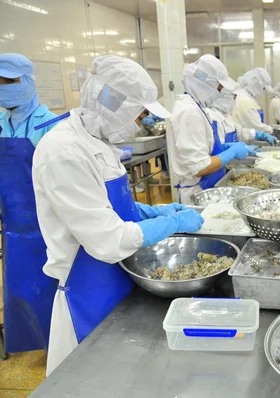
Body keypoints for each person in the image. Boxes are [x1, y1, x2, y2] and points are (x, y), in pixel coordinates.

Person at [31, 55, 204, 375]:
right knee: (94, 378)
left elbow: (105, 207)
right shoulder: (63, 150)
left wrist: (148, 210)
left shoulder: (101, 141)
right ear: (114, 103)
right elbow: (107, 240)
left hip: (118, 279)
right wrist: (172, 223)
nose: (142, 123)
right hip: (87, 290)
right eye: (139, 113)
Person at [0, 53, 58, 355]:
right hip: (12, 225)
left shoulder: (48, 124)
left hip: (46, 226)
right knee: (19, 288)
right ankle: (29, 342)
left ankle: (58, 346)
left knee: (48, 286)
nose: (3, 87)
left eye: (9, 81)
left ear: (28, 81)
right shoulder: (0, 123)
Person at [169, 55, 258, 205]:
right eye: (218, 88)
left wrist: (224, 148)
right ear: (205, 84)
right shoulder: (189, 112)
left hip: (207, 186)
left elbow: (202, 149)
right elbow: (199, 167)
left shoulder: (197, 107)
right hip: (196, 192)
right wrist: (231, 152)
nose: (218, 93)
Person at [232, 68, 274, 134]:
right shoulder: (245, 101)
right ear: (255, 84)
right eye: (263, 88)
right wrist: (272, 130)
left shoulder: (245, 97)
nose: (262, 92)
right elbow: (256, 127)